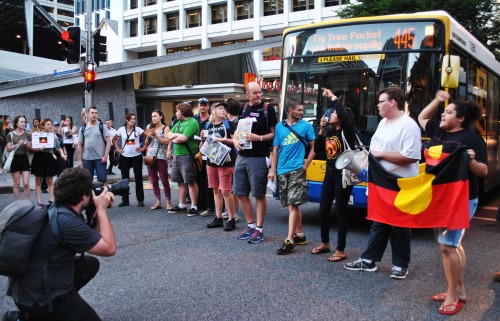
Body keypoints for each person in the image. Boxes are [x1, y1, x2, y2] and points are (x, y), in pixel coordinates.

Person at [2, 167, 116, 321]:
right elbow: (108, 248)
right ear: (83, 196)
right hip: (40, 299)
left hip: (25, 290)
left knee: (89, 264)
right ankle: (32, 317)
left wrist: (97, 209)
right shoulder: (68, 221)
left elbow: (93, 239)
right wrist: (101, 209)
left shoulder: (58, 209)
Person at [418, 91, 488, 315]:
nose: (443, 115)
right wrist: (437, 100)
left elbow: (484, 170)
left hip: (462, 198)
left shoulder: (471, 138)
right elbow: (422, 118)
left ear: (460, 119)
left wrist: (471, 161)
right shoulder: (439, 131)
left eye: (448, 112)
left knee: (448, 245)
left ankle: (452, 296)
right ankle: (460, 289)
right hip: (440, 196)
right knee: (451, 245)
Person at [344, 87, 421, 279]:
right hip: (380, 184)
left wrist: (381, 155)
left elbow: (411, 157)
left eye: (380, 101)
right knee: (379, 222)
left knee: (400, 225)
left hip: (399, 184)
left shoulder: (408, 125)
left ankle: (400, 264)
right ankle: (369, 260)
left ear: (392, 102)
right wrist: (362, 167)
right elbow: (374, 149)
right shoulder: (383, 123)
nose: (377, 105)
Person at [309, 89, 356, 261]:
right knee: (323, 210)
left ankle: (341, 249)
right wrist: (321, 130)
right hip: (329, 173)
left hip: (343, 174)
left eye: (335, 113)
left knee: (341, 212)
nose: (332, 115)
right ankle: (325, 242)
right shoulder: (330, 132)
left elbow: (343, 114)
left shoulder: (347, 133)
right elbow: (318, 149)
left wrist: (333, 98)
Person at [268, 98, 315, 255]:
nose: (302, 113)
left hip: (297, 169)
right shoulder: (280, 127)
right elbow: (275, 149)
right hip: (282, 170)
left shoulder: (307, 126)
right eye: (299, 110)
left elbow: (314, 147)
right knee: (291, 205)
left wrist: (306, 165)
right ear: (290, 110)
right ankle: (300, 235)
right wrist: (273, 170)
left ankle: (290, 240)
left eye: (302, 110)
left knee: (294, 205)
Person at [233, 81, 278, 244]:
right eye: (255, 93)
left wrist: (258, 138)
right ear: (248, 94)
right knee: (239, 192)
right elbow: (238, 128)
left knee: (258, 194)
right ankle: (250, 225)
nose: (259, 95)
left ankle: (259, 229)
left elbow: (275, 135)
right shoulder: (244, 108)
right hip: (242, 156)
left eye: (260, 92)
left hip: (259, 157)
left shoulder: (268, 109)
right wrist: (235, 139)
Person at [203, 102, 238, 231]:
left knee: (225, 191)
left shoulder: (229, 124)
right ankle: (218, 217)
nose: (223, 110)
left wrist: (222, 140)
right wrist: (202, 141)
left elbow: (236, 141)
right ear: (213, 112)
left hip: (226, 160)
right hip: (211, 160)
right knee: (215, 190)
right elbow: (205, 143)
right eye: (220, 108)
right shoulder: (208, 125)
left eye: (224, 109)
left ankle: (231, 218)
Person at [167, 102, 200, 216]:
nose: (176, 113)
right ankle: (182, 205)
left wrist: (175, 137)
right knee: (180, 181)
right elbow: (169, 135)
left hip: (188, 155)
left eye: (177, 111)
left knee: (190, 181)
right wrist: (176, 137)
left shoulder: (193, 122)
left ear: (183, 111)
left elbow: (184, 138)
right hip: (177, 155)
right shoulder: (178, 122)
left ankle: (194, 206)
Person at [112, 113, 147, 207]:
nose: (133, 120)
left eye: (134, 119)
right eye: (131, 119)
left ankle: (140, 200)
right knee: (124, 179)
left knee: (138, 178)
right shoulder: (121, 130)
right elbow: (114, 139)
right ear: (126, 120)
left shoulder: (138, 129)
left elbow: (148, 137)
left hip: (136, 156)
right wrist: (118, 149)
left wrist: (143, 148)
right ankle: (125, 200)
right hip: (125, 156)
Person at [31, 118, 67, 206]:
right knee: (38, 181)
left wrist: (62, 154)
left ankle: (51, 200)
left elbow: (58, 147)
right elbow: (32, 147)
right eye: (48, 124)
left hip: (49, 158)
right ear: (42, 126)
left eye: (51, 124)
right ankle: (39, 201)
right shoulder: (37, 135)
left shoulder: (54, 136)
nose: (50, 126)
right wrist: (38, 148)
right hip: (39, 157)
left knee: (50, 181)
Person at [145, 109, 172, 211]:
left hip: (161, 155)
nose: (153, 118)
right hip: (150, 156)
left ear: (161, 117)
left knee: (164, 179)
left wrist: (156, 135)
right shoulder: (149, 127)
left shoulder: (166, 128)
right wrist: (148, 137)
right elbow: (147, 143)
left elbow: (166, 141)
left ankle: (168, 202)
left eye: (155, 116)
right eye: (152, 116)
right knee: (154, 180)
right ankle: (158, 201)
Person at [77, 106, 111, 183]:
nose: (94, 114)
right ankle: (90, 195)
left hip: (100, 159)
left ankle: (104, 194)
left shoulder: (102, 126)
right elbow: (80, 145)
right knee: (87, 181)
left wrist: (105, 156)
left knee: (102, 180)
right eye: (92, 113)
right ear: (88, 114)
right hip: (87, 159)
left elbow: (108, 142)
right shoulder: (83, 128)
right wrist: (79, 160)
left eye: (96, 113)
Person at [194, 97, 216, 216]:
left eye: (204, 105)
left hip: (208, 152)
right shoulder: (194, 119)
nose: (202, 107)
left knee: (208, 181)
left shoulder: (211, 120)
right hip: (196, 152)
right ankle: (199, 204)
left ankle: (210, 205)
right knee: (198, 179)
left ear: (208, 106)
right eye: (200, 105)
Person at [222, 98, 242, 222]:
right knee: (228, 186)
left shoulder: (236, 123)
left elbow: (237, 141)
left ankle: (234, 212)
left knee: (234, 186)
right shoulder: (228, 122)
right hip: (228, 157)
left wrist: (222, 139)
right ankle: (230, 211)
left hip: (236, 156)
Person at [5, 115, 32, 200]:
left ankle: (27, 202)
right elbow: (8, 148)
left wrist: (27, 145)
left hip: (24, 158)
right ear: (16, 123)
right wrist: (18, 144)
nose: (24, 123)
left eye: (24, 122)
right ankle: (18, 202)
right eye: (22, 122)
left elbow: (29, 149)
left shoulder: (27, 134)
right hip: (15, 159)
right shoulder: (10, 135)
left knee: (26, 183)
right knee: (16, 183)